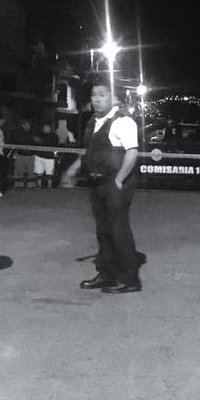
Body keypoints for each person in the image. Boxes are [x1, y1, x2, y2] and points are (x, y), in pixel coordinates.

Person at [61, 73, 143, 293]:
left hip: (115, 183)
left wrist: (118, 179)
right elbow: (90, 151)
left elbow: (132, 153)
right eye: (93, 95)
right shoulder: (94, 122)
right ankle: (106, 274)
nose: (96, 99)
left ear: (113, 97)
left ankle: (130, 279)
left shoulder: (123, 121)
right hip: (96, 182)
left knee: (118, 230)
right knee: (103, 230)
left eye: (102, 95)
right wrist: (74, 168)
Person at [33, 121, 58, 189]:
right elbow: (35, 142)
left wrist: (41, 141)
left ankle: (49, 186)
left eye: (47, 127)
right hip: (39, 156)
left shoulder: (54, 136)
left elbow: (52, 144)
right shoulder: (39, 134)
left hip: (49, 157)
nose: (45, 128)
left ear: (50, 128)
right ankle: (39, 185)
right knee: (38, 172)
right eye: (44, 127)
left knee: (49, 173)